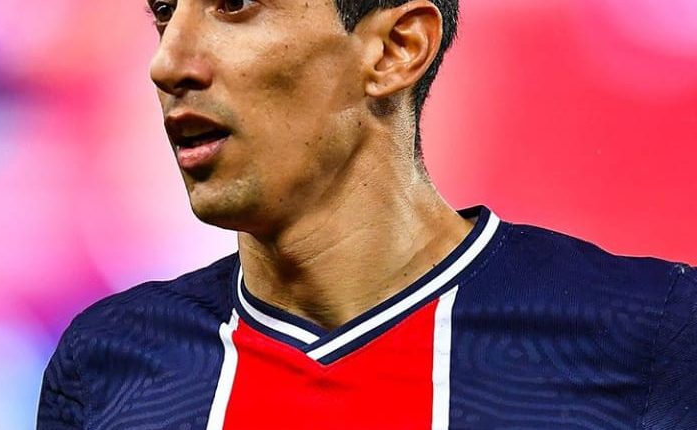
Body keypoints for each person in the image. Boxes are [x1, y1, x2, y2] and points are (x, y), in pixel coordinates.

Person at [37, 0, 697, 427]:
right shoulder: (108, 356)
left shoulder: (652, 332)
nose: (166, 63)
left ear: (395, 49)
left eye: (234, 5)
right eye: (163, 13)